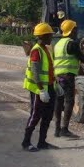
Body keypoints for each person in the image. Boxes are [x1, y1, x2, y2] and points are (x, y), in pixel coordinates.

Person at [22, 22, 57, 151]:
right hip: (39, 89)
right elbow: (36, 72)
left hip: (49, 87)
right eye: (49, 35)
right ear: (43, 36)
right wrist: (41, 90)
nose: (51, 37)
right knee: (35, 115)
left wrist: (55, 84)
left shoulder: (46, 49)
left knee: (48, 115)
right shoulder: (36, 51)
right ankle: (26, 142)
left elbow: (49, 70)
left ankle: (42, 142)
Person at [52, 19, 84, 138]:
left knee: (59, 102)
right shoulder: (71, 43)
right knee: (69, 101)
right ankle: (64, 129)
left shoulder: (57, 44)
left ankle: (57, 129)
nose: (77, 31)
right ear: (71, 31)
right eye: (75, 29)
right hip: (67, 77)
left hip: (58, 77)